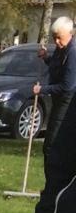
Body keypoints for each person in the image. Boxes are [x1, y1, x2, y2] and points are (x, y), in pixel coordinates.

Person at [33, 16, 76, 163]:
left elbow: (67, 86)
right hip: (58, 101)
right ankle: (50, 185)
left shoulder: (73, 53)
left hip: (67, 103)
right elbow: (55, 65)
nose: (56, 42)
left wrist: (42, 89)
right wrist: (46, 57)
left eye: (59, 38)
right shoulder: (61, 49)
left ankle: (54, 185)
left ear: (71, 34)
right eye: (54, 38)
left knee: (52, 145)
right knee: (49, 145)